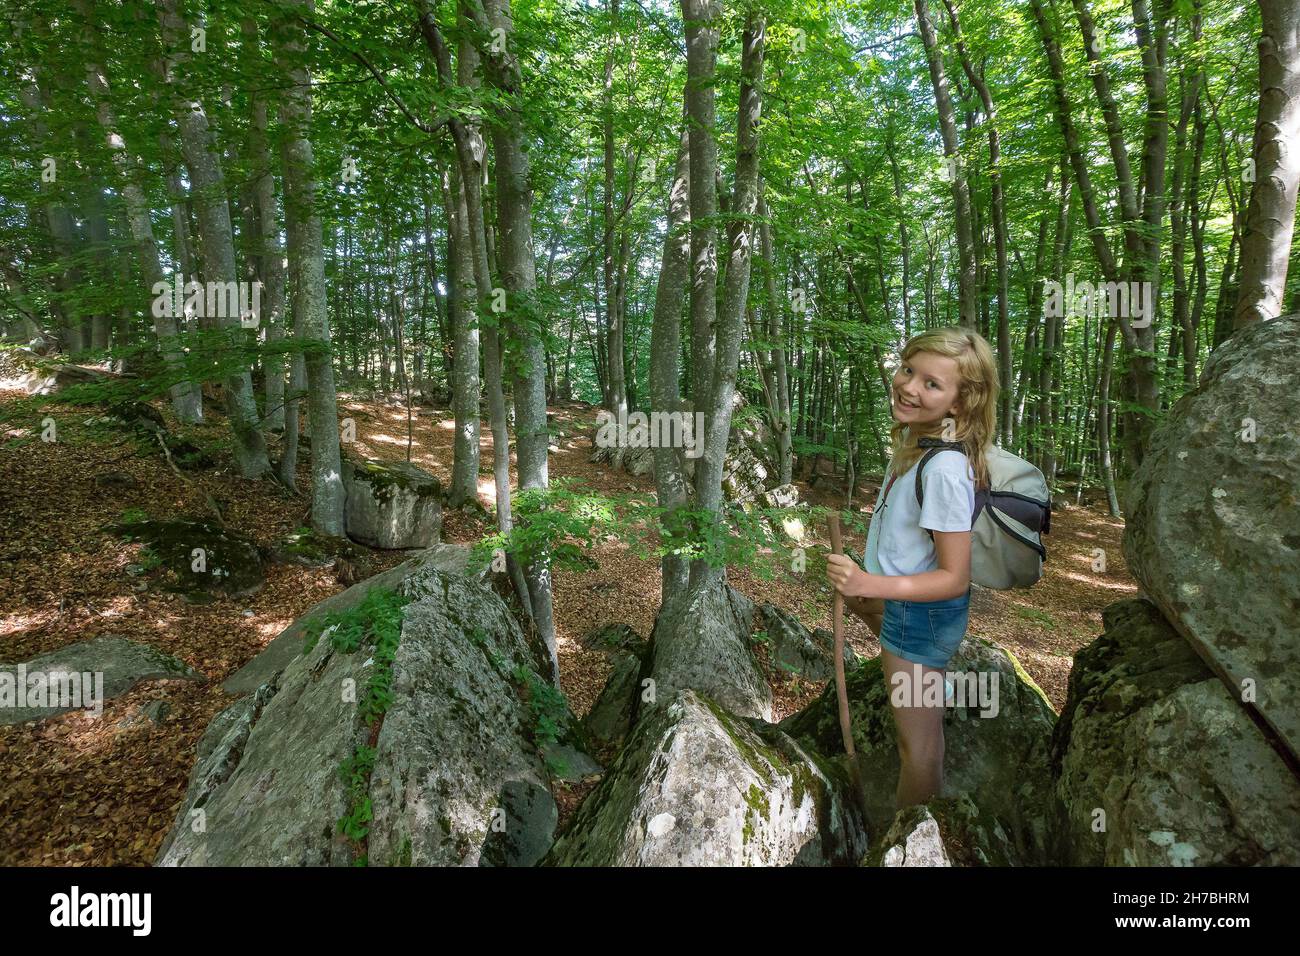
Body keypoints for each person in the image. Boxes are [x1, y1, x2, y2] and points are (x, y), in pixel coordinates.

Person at [825, 326, 999, 810]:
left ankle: (913, 840)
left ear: (961, 404)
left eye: (932, 385)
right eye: (908, 370)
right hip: (903, 607)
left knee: (917, 749)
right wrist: (866, 590)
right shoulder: (915, 443)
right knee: (918, 724)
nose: (908, 386)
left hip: (920, 618)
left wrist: (866, 582)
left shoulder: (942, 469)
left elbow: (953, 577)